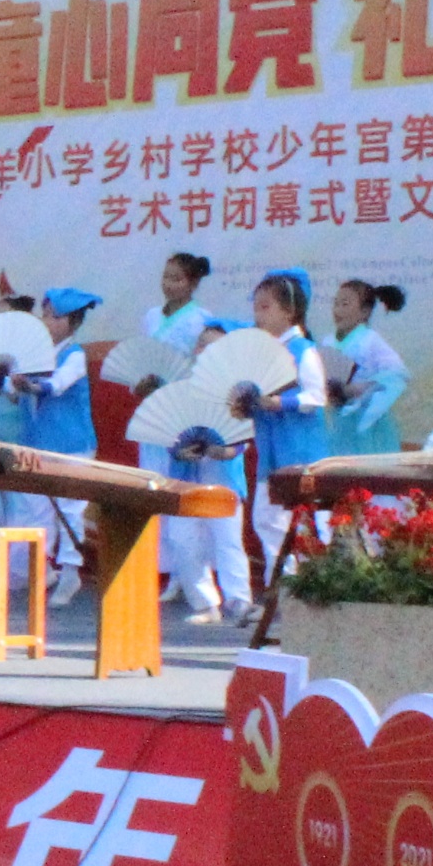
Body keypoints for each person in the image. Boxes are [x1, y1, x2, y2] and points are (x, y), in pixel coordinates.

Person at [232, 271, 334, 600]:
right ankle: (284, 593)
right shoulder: (262, 353)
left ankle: (303, 592)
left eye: (265, 307)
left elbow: (316, 397)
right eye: (256, 307)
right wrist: (246, 407)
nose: (258, 315)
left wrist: (281, 402)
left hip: (299, 451)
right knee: (266, 520)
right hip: (270, 452)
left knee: (301, 525)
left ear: (289, 312)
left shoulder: (303, 350)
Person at [140, 252, 230, 621]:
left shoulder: (201, 320)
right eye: (166, 276)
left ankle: (188, 574)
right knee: (155, 488)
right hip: (154, 409)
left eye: (177, 278)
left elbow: (201, 368)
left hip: (183, 408)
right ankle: (169, 570)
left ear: (192, 283)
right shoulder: (151, 316)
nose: (169, 284)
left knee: (183, 491)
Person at [19, 287, 103, 600]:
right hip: (38, 442)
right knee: (36, 510)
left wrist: (31, 385)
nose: (46, 321)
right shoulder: (33, 352)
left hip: (72, 443)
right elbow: (14, 389)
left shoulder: (74, 355)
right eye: (44, 315)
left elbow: (57, 384)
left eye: (54, 316)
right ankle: (41, 570)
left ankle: (70, 572)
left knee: (70, 510)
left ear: (71, 322)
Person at [326, 281, 412, 457]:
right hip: (340, 421)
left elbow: (398, 373)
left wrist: (362, 387)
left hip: (367, 422)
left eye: (345, 304)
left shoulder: (371, 341)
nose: (337, 310)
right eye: (335, 303)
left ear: (365, 311)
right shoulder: (328, 342)